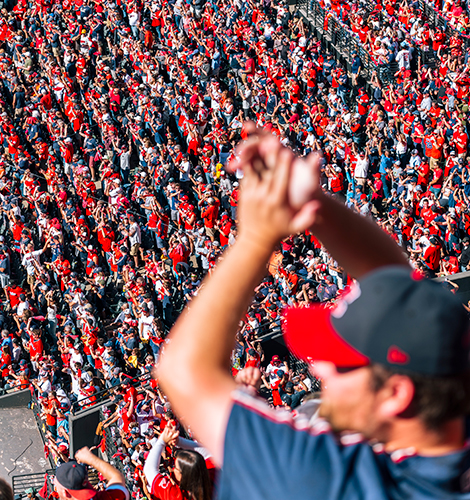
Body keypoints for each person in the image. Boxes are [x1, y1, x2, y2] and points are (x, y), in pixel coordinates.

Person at [156, 126, 470, 499]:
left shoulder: (321, 481)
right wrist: (312, 204)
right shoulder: (447, 427)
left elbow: (184, 373)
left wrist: (257, 238)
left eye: (342, 362)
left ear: (395, 395)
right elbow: (396, 284)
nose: (319, 367)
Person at [143, 424, 212, 500]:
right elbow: (208, 452)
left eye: (175, 467)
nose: (173, 469)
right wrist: (178, 441)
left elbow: (149, 470)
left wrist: (162, 440)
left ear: (182, 476)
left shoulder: (178, 496)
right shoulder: (214, 477)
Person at [54, 446, 129, 500]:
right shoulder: (102, 497)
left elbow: (118, 478)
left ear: (65, 493)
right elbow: (117, 478)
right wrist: (91, 459)